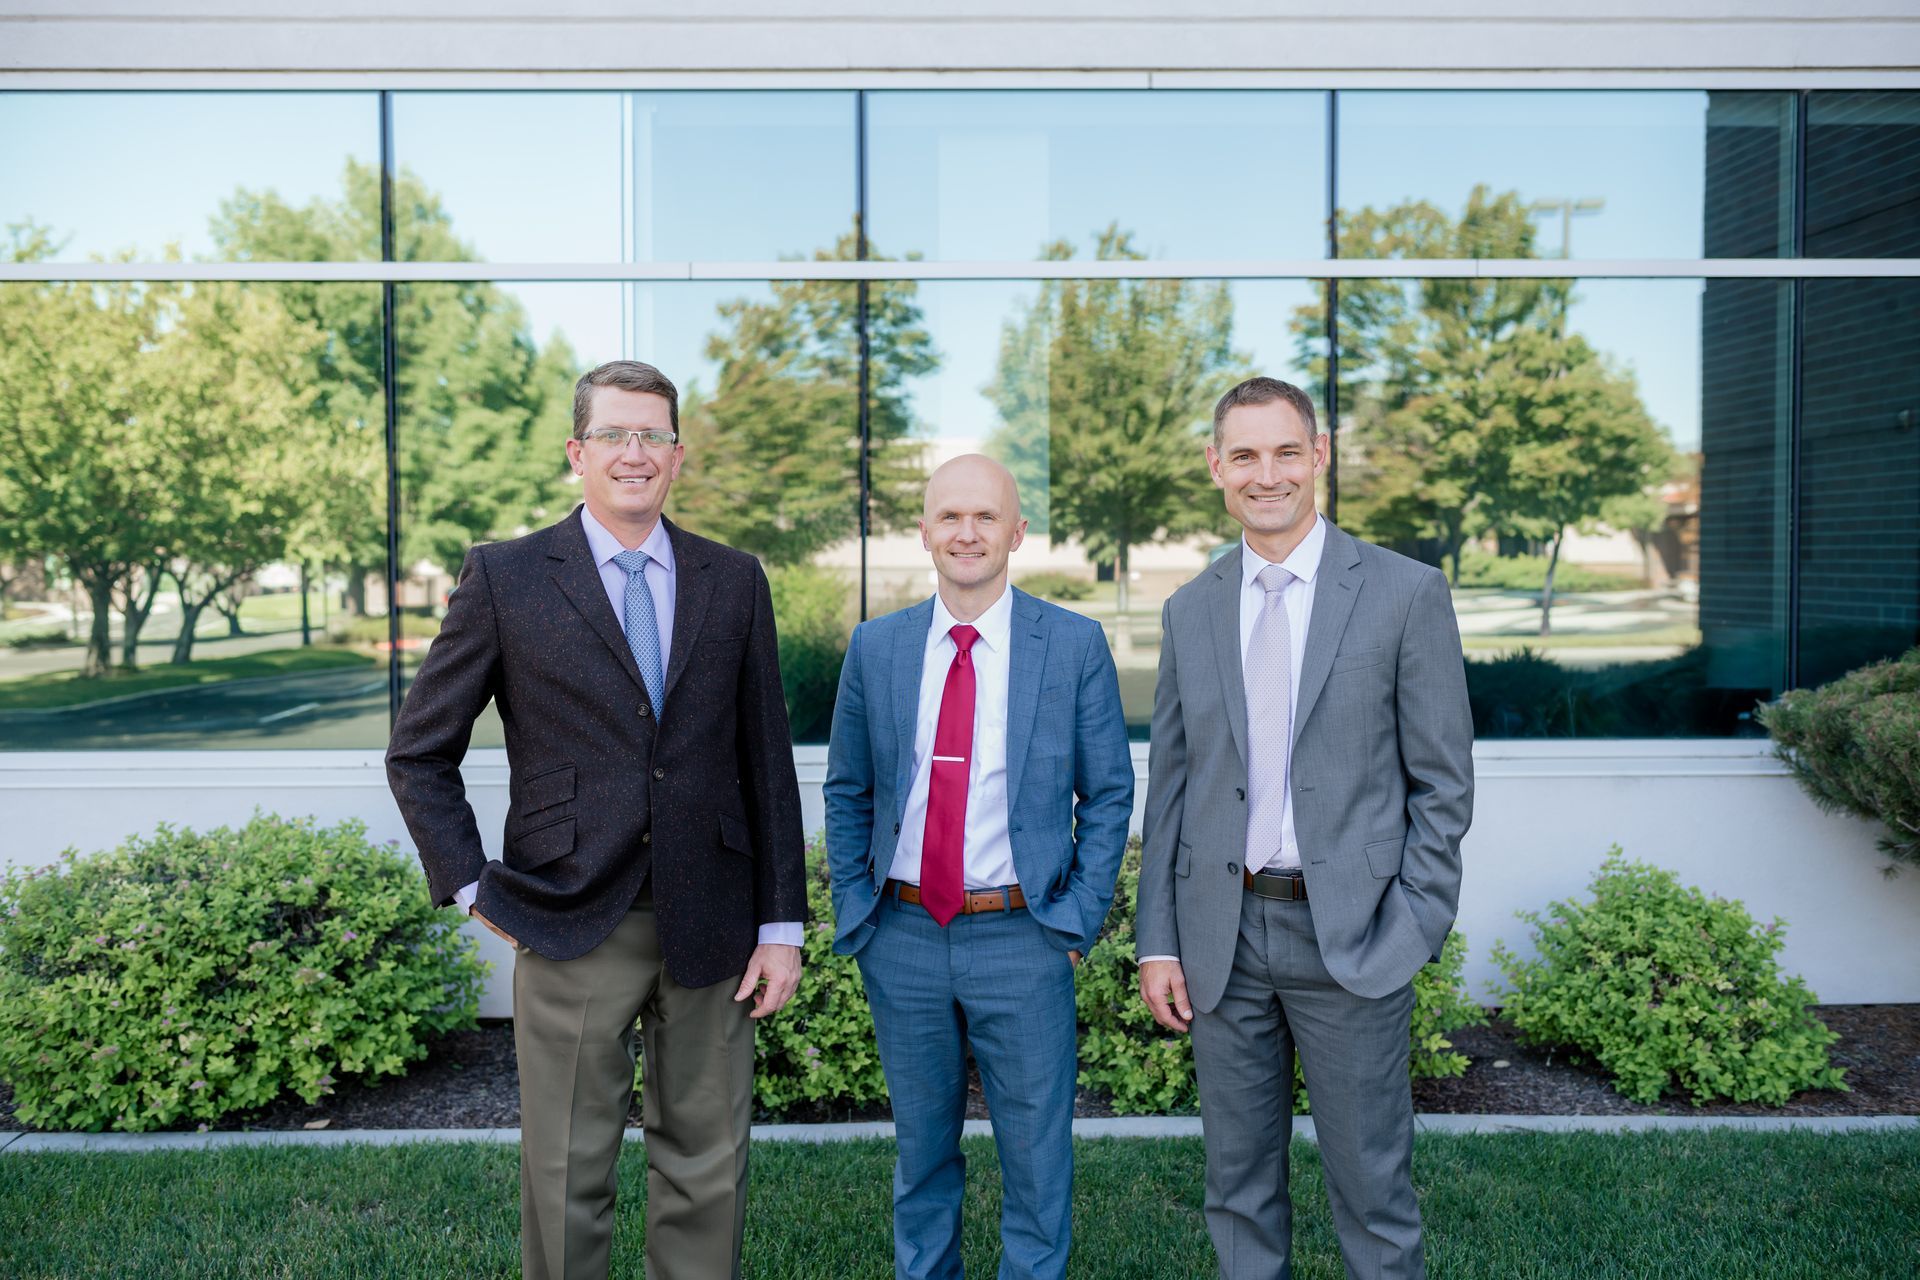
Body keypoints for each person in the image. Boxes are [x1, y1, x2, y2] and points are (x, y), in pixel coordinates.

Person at [386, 359, 807, 1280]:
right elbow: (418, 751)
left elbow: (765, 763)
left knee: (708, 1163)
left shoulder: (733, 580)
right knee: (566, 1168)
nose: (634, 453)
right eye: (614, 434)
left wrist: (782, 924)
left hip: (715, 917)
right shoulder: (506, 578)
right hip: (568, 912)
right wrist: (470, 887)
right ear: (578, 452)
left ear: (678, 456)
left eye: (652, 435)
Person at [1136, 376, 1474, 1280]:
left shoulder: (1406, 594)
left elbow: (1443, 782)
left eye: (1287, 451)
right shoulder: (1192, 608)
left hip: (1355, 935)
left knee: (1373, 1190)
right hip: (1224, 936)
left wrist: (1413, 923)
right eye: (1244, 455)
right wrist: (1157, 943)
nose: (1267, 474)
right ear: (1216, 467)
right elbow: (1171, 786)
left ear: (1320, 456)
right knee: (1237, 1186)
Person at [823, 454, 1133, 1280]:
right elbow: (847, 787)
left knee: (1036, 1159)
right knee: (922, 1156)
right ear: (923, 531)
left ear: (1017, 533)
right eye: (950, 516)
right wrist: (859, 907)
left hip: (1022, 936)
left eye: (986, 517)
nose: (967, 532)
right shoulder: (877, 647)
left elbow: (1108, 794)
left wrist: (1071, 920)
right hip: (904, 934)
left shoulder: (1071, 645)